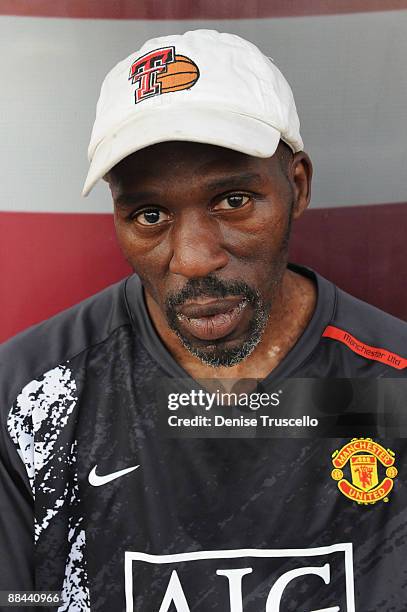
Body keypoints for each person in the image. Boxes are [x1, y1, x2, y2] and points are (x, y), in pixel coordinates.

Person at [1, 29, 406, 612]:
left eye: (233, 200)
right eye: (149, 213)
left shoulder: (392, 387)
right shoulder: (29, 399)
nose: (193, 258)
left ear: (297, 186)